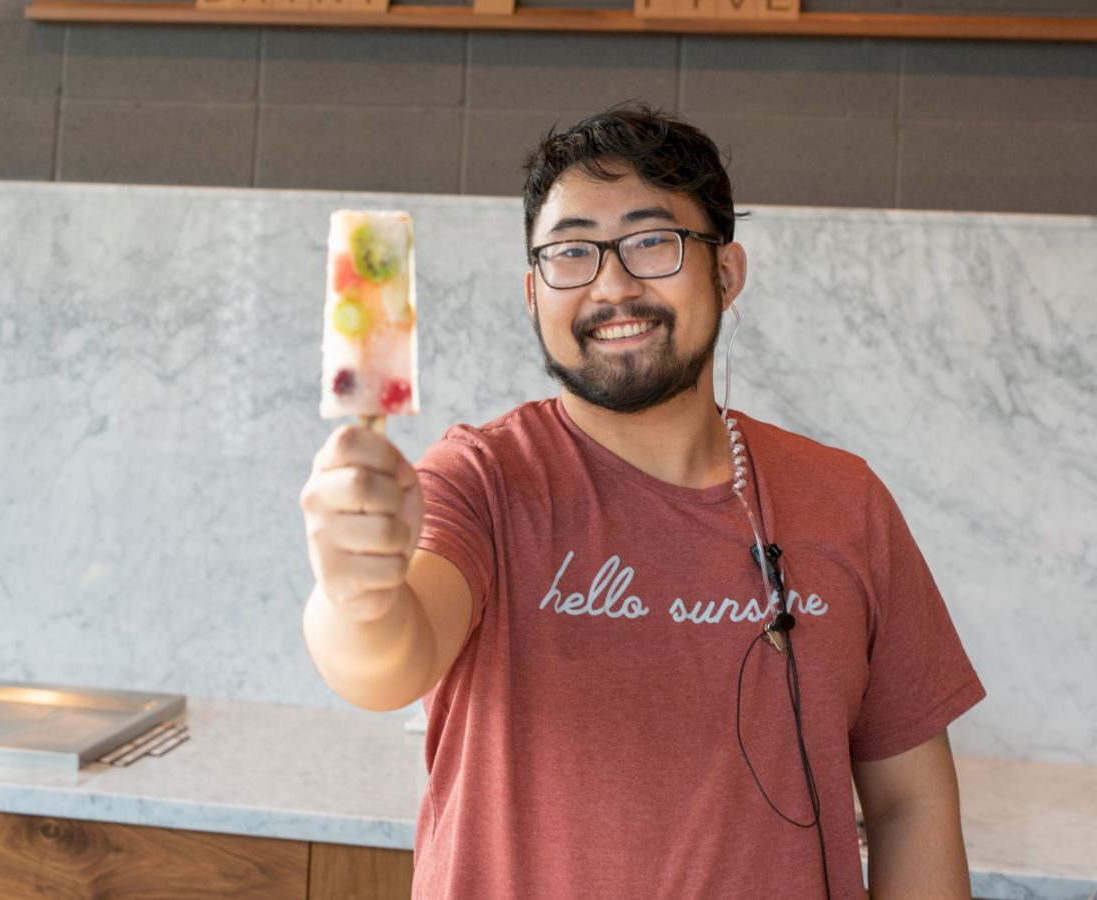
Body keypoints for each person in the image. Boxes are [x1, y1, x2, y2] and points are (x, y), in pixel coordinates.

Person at [301, 106, 985, 899]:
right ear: (532, 292)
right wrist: (354, 593)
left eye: (652, 242)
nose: (612, 284)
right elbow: (385, 664)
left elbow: (913, 805)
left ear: (726, 273)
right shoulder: (482, 480)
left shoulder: (845, 500)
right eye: (571, 252)